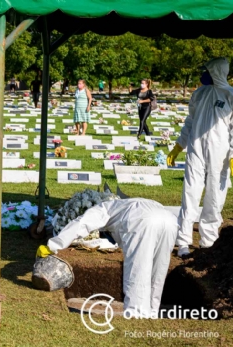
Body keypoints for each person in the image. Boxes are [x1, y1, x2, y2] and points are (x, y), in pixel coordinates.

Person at [37, 198, 177, 317]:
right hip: (170, 220)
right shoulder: (123, 204)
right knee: (158, 271)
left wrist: (53, 245)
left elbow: (82, 224)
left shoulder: (103, 209)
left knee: (138, 273)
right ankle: (152, 312)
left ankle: (136, 314)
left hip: (141, 222)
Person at [167, 57, 233, 258]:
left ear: (217, 72)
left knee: (215, 194)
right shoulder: (199, 93)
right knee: (190, 193)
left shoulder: (230, 95)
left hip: (219, 153)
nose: (204, 74)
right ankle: (184, 241)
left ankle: (208, 240)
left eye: (208, 71)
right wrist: (179, 146)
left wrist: (232, 154)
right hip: (196, 147)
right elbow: (190, 121)